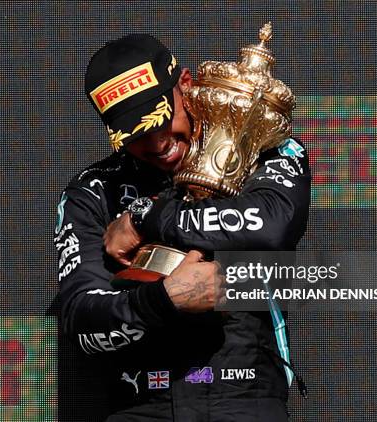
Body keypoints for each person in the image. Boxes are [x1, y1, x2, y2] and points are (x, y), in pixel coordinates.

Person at [49, 33, 311, 421]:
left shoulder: (262, 147)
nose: (156, 143)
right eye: (137, 134)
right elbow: (81, 320)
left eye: (161, 120)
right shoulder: (93, 191)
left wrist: (146, 217)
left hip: (244, 399)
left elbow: (272, 225)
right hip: (141, 404)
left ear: (185, 85)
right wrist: (164, 300)